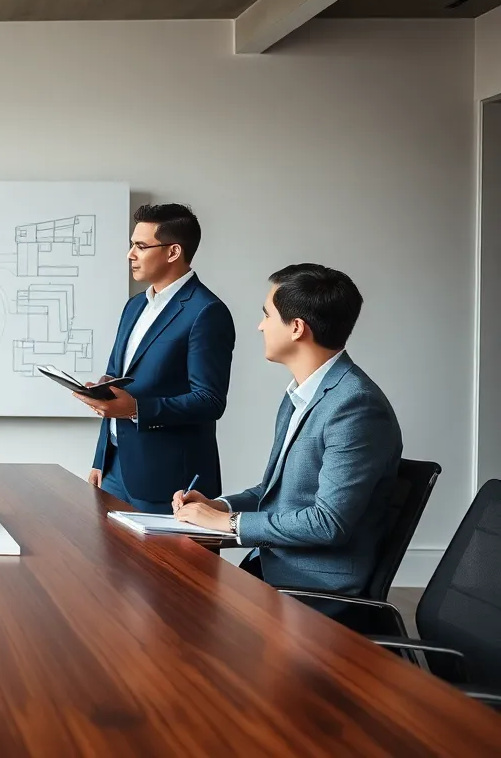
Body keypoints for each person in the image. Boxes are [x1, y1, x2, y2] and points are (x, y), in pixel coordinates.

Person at [172, 264, 403, 596]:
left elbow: (328, 523)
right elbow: (275, 492)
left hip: (314, 589)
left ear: (296, 328)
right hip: (273, 567)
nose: (260, 325)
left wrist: (229, 523)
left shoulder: (356, 407)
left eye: (267, 315)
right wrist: (217, 507)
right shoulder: (302, 393)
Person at [77, 203, 235, 513]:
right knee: (109, 563)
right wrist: (101, 460)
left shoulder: (206, 312)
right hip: (115, 472)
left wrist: (136, 408)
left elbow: (210, 400)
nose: (130, 254)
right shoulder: (135, 306)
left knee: (168, 564)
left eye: (141, 246)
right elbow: (115, 379)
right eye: (131, 245)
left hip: (169, 482)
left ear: (173, 252)